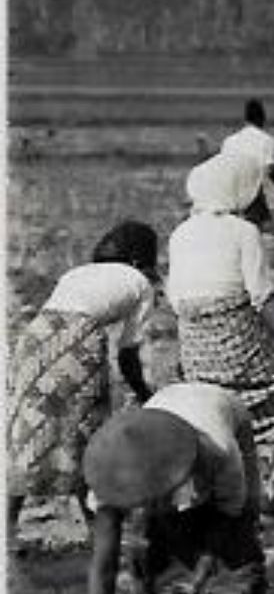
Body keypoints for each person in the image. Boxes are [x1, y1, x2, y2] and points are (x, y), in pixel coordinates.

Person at [77, 382, 268, 594]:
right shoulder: (108, 476)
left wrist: (204, 567)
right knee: (150, 542)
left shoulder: (218, 449)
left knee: (240, 538)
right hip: (163, 413)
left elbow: (229, 515)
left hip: (220, 409)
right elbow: (104, 564)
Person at [168, 159, 274, 527]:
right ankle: (271, 492)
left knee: (217, 414)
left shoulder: (181, 233)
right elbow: (262, 295)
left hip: (195, 346)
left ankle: (215, 496)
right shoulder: (242, 230)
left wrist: (185, 355)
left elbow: (176, 299)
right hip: (236, 336)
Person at [8, 222, 161, 532]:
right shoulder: (140, 283)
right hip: (79, 344)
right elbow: (128, 356)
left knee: (30, 429)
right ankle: (98, 526)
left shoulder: (76, 273)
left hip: (35, 338)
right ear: (140, 259)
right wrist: (148, 396)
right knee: (85, 433)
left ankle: (7, 524)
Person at [220, 98, 274, 226]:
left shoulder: (229, 141)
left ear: (245, 119)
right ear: (262, 118)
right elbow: (270, 170)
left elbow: (222, 167)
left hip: (229, 190)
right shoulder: (266, 140)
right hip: (251, 190)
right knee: (256, 226)